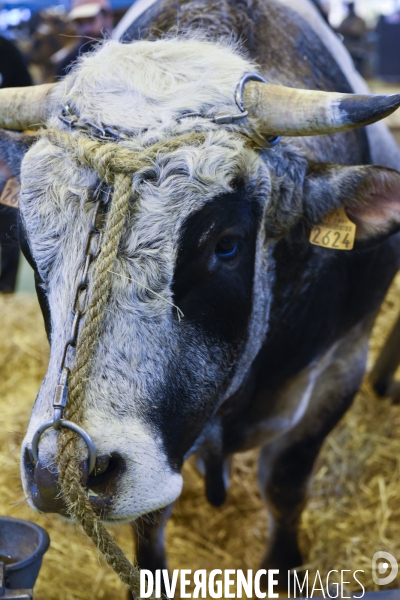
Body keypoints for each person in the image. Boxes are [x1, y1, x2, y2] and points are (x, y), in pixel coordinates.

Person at [0, 37, 31, 293]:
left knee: (10, 225)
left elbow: (27, 101)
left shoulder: (6, 49)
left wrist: (12, 159)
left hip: (6, 161)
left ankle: (6, 287)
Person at [56, 0, 113, 78]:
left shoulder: (128, 42)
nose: (86, 29)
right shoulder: (69, 64)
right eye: (80, 23)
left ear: (108, 17)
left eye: (91, 20)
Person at [337, 2, 367, 74]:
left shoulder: (359, 20)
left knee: (359, 68)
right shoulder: (346, 20)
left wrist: (350, 31)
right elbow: (340, 30)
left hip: (357, 47)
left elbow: (358, 32)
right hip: (347, 47)